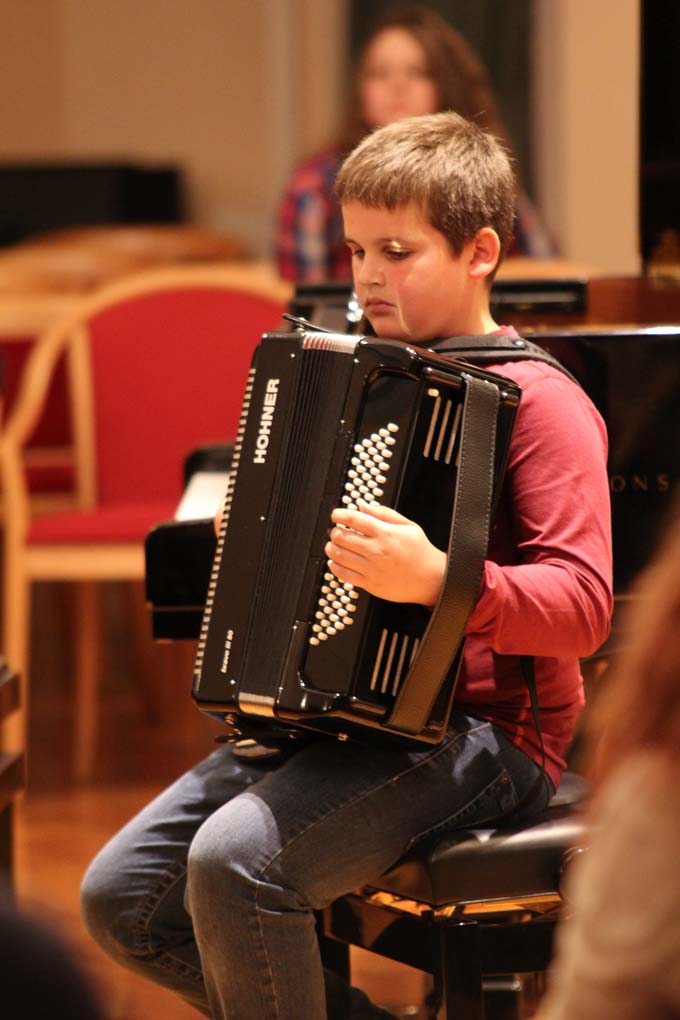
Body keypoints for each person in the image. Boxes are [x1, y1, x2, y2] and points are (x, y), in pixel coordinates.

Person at [80, 111, 612, 1020]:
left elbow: (585, 608)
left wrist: (441, 580)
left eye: (398, 251)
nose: (369, 275)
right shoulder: (359, 385)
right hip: (339, 723)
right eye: (358, 249)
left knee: (234, 863)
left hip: (488, 737)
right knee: (120, 897)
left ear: (481, 250)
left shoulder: (543, 402)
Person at [276, 3, 555, 283]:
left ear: (448, 84)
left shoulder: (486, 177)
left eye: (418, 72)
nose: (397, 85)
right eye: (379, 73)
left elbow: (546, 277)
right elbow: (304, 304)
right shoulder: (314, 187)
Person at [536, 501, 680, 1020]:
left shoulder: (657, 796)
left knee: (262, 858)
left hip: (500, 736)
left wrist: (445, 582)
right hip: (377, 744)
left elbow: (580, 606)